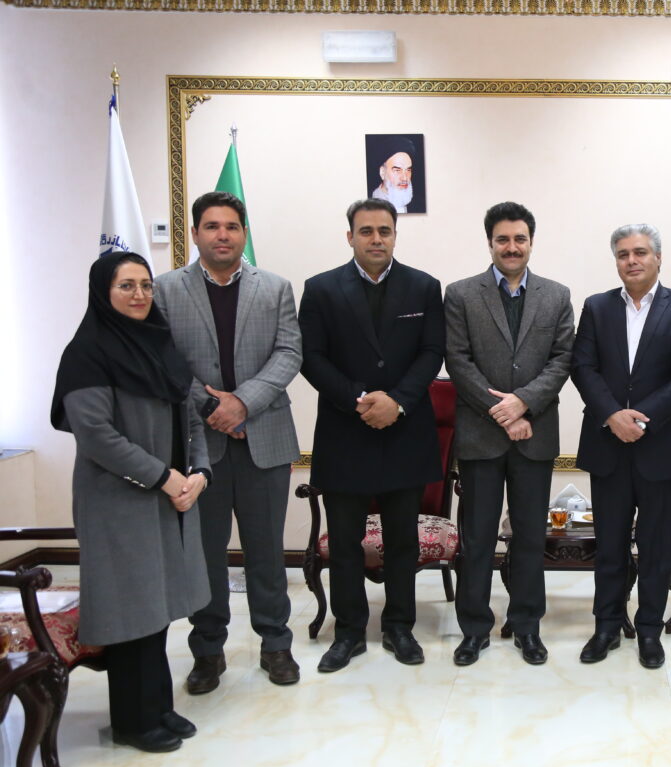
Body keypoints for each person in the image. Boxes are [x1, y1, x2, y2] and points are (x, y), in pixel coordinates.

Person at [50, 252, 211, 753]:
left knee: (155, 606)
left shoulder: (159, 343)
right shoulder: (87, 353)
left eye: (146, 285)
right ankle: (133, 721)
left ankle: (157, 707)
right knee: (130, 609)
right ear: (104, 292)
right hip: (118, 501)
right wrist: (164, 477)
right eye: (127, 286)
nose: (140, 295)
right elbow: (96, 435)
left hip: (167, 495)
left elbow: (191, 416)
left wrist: (200, 474)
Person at [154, 191, 302, 693]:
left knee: (267, 552)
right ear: (196, 233)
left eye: (232, 226)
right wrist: (213, 409)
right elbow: (165, 359)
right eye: (213, 226)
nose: (223, 235)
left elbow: (289, 353)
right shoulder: (165, 290)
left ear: (244, 233)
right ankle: (207, 650)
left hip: (265, 438)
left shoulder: (275, 288)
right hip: (198, 444)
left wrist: (243, 403)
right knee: (205, 553)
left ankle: (275, 644)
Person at [298, 198, 446, 673]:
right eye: (366, 231)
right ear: (350, 237)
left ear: (395, 235)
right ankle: (348, 632)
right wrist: (360, 399)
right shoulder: (320, 289)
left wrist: (396, 401)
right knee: (345, 542)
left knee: (403, 540)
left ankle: (399, 627)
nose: (376, 239)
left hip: (405, 431)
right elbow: (311, 357)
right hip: (346, 431)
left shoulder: (424, 287)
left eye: (385, 230)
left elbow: (432, 352)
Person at [570, 223, 671, 669]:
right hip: (607, 444)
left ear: (658, 258)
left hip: (660, 448)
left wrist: (641, 417)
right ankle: (606, 626)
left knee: (655, 547)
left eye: (641, 252)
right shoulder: (596, 307)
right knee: (609, 545)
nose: (632, 260)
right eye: (623, 254)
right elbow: (582, 367)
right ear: (616, 261)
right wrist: (613, 415)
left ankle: (649, 630)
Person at [443, 201, 574, 666]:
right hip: (481, 436)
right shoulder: (460, 294)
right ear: (490, 243)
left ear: (531, 242)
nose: (512, 247)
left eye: (520, 238)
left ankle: (526, 626)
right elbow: (457, 360)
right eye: (503, 239)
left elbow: (562, 359)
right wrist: (503, 410)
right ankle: (474, 629)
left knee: (530, 537)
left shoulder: (556, 295)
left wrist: (524, 403)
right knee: (477, 538)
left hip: (534, 434)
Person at [369, 136, 423, 214]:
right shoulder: (368, 204)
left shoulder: (419, 206)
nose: (405, 178)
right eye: (397, 170)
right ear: (382, 172)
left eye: (408, 170)